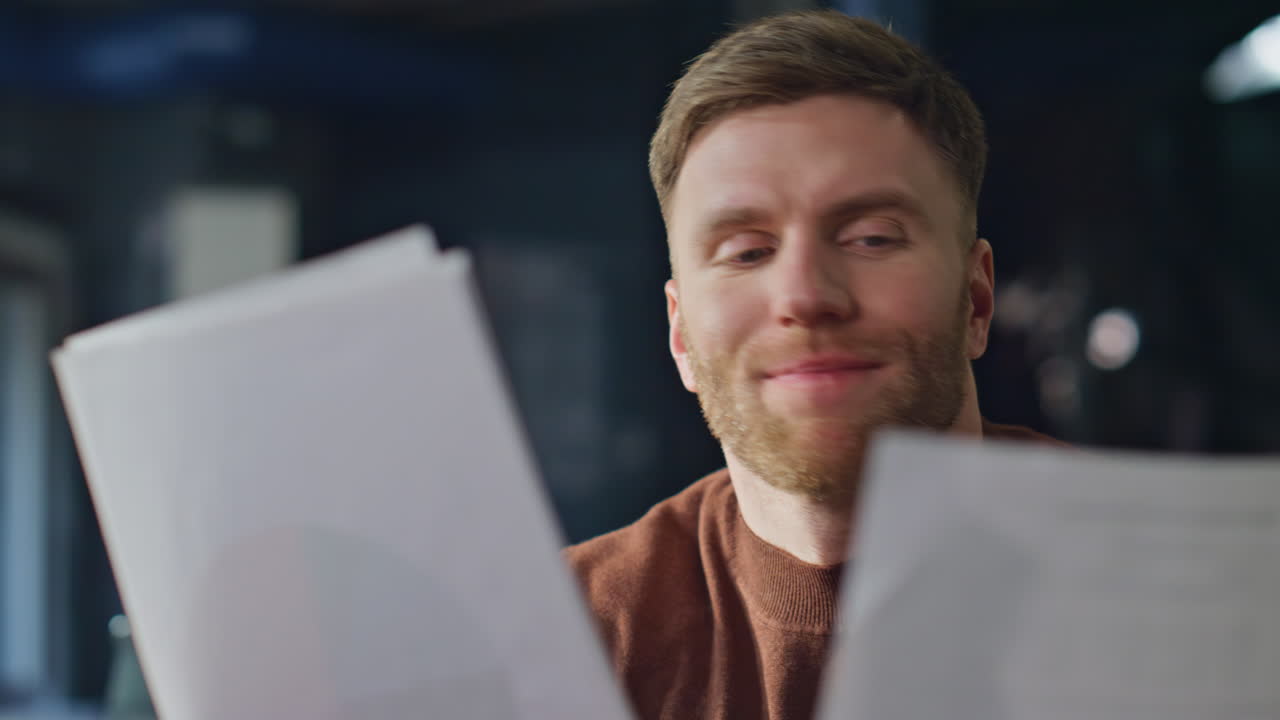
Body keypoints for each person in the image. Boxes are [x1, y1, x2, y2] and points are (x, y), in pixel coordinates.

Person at [566, 9, 1059, 720]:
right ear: (680, 338)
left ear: (975, 302)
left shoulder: (1175, 587)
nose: (804, 296)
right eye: (747, 252)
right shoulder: (568, 643)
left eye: (871, 238)